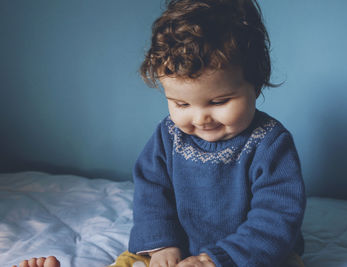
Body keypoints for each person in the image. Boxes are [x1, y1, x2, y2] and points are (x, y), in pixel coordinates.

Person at [15, 0, 306, 266]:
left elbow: (277, 217)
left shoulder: (270, 143)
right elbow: (152, 193)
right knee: (128, 263)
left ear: (255, 85)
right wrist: (162, 245)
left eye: (219, 102)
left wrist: (216, 260)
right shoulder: (169, 136)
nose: (201, 117)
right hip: (176, 248)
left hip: (248, 254)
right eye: (181, 103)